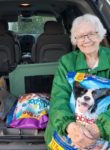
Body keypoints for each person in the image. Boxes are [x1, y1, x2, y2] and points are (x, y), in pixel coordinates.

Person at [44, 13, 110, 149]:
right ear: (75, 39)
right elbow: (58, 99)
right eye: (80, 36)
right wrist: (71, 127)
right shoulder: (67, 62)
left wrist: (98, 129)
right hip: (70, 127)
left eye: (91, 33)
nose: (86, 40)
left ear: (100, 34)